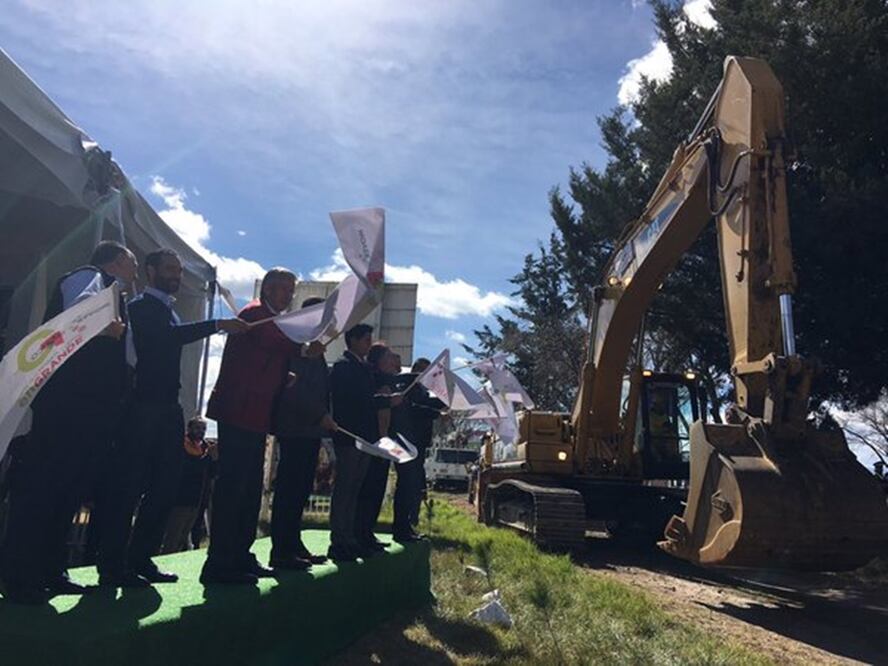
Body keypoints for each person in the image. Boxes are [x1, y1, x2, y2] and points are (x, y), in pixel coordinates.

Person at [98, 249, 247, 588]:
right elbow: (163, 338)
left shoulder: (170, 311)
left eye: (178, 270)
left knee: (165, 488)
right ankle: (111, 565)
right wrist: (217, 324)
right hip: (141, 407)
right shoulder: (139, 308)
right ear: (149, 271)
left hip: (168, 408)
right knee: (129, 488)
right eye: (169, 269)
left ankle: (140, 558)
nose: (175, 275)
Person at [0, 241, 135, 604]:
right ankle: (19, 576)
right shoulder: (89, 277)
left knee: (69, 490)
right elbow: (78, 314)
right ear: (119, 261)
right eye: (132, 264)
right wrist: (105, 327)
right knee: (45, 487)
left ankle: (50, 569)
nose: (134, 272)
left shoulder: (114, 292)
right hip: (68, 404)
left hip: (93, 409)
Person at [201, 268, 316, 585]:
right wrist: (304, 350)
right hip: (238, 412)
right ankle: (219, 562)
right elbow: (277, 341)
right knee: (233, 488)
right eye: (280, 288)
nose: (285, 294)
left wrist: (284, 376)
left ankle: (239, 555)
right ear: (266, 288)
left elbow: (268, 356)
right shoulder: (255, 313)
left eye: (289, 289)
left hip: (255, 417)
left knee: (249, 491)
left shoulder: (274, 321)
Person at [270, 297, 338, 569]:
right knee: (289, 490)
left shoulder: (317, 347)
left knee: (300, 491)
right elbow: (293, 388)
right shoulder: (297, 344)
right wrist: (319, 414)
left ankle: (293, 544)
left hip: (310, 430)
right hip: (295, 427)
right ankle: (282, 550)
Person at [328, 324, 401, 562]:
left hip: (365, 438)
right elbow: (356, 400)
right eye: (366, 339)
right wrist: (385, 401)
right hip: (350, 436)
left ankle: (350, 538)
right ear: (353, 341)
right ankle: (339, 540)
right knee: (345, 489)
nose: (369, 344)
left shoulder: (363, 368)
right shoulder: (344, 366)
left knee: (355, 490)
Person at [391, 357, 446, 542]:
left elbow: (432, 403)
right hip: (406, 443)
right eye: (423, 371)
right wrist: (437, 412)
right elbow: (413, 409)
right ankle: (401, 528)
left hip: (419, 443)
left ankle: (407, 525)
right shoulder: (407, 386)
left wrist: (445, 400)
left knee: (413, 486)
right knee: (406, 484)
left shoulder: (422, 390)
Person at [353, 343, 399, 554]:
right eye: (389, 357)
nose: (394, 360)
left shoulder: (389, 381)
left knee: (377, 490)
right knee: (368, 490)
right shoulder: (374, 380)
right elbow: (379, 413)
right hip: (373, 442)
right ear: (378, 361)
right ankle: (360, 534)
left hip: (383, 441)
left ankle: (367, 532)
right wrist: (382, 440)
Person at [161, 417, 216, 553]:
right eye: (197, 428)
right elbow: (190, 468)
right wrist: (209, 457)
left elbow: (211, 472)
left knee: (184, 537)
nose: (201, 432)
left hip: (197, 499)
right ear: (189, 428)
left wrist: (215, 459)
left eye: (203, 429)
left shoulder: (204, 447)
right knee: (173, 537)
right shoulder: (183, 445)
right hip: (181, 498)